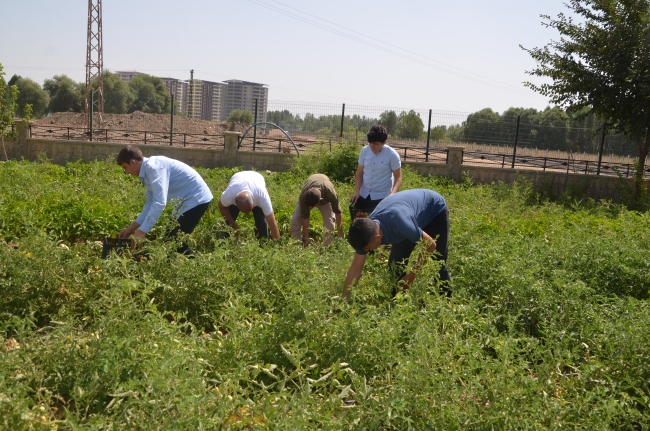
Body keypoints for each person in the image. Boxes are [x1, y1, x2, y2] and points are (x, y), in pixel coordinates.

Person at [343, 189, 450, 300]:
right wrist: (343, 302)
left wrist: (412, 274)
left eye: (367, 248)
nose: (366, 251)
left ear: (377, 237)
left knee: (439, 263)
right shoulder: (365, 230)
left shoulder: (402, 224)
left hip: (434, 211)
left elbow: (430, 245)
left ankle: (447, 301)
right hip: (407, 216)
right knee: (396, 265)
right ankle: (398, 301)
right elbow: (355, 269)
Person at [117, 145, 213, 255]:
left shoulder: (154, 168)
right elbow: (150, 203)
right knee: (169, 241)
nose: (127, 172)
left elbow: (159, 202)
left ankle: (198, 267)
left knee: (177, 243)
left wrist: (142, 231)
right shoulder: (146, 173)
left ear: (133, 162)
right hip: (185, 202)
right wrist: (132, 228)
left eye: (125, 167)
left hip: (197, 199)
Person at [349, 125, 402, 214]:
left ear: (384, 142)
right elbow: (359, 173)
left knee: (377, 226)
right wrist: (357, 191)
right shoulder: (364, 151)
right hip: (363, 194)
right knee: (358, 224)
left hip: (382, 197)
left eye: (376, 144)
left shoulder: (392, 155)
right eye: (370, 143)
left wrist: (392, 194)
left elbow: (398, 177)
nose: (372, 146)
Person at [218, 171, 280, 239]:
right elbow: (222, 207)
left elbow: (272, 224)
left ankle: (262, 242)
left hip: (256, 177)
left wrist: (276, 245)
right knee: (229, 218)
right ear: (235, 203)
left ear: (253, 199)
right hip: (238, 177)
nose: (247, 214)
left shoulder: (262, 197)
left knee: (261, 222)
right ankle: (223, 240)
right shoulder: (229, 195)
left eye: (249, 210)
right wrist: (234, 226)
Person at [290, 174, 344, 247]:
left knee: (330, 224)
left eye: (312, 206)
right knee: (295, 220)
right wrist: (307, 239)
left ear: (320, 200)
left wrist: (340, 232)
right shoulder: (304, 197)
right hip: (309, 196)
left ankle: (326, 247)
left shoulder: (330, 193)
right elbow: (305, 217)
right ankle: (295, 246)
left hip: (326, 197)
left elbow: (337, 212)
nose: (310, 208)